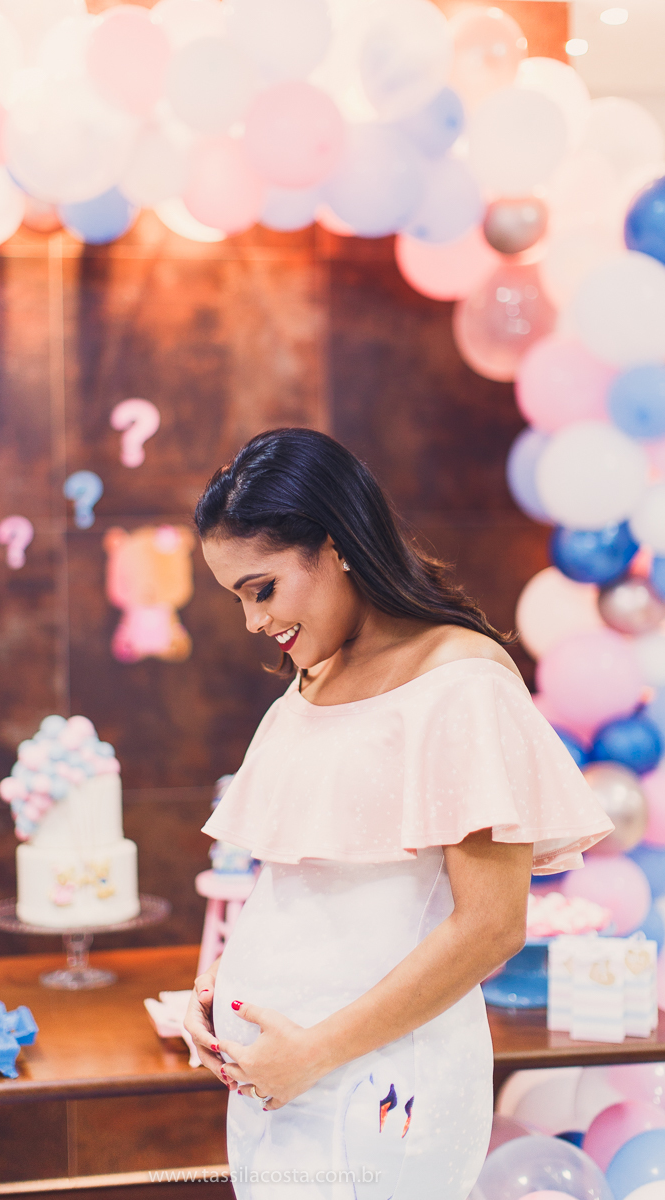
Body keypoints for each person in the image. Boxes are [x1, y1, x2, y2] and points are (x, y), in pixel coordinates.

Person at [184, 428, 613, 1200]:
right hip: (277, 1080)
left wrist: (312, 1050)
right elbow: (314, 889)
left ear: (334, 545)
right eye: (237, 598)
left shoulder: (462, 685)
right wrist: (228, 984)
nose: (253, 622)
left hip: (378, 1084)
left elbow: (490, 926)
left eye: (262, 588)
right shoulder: (313, 680)